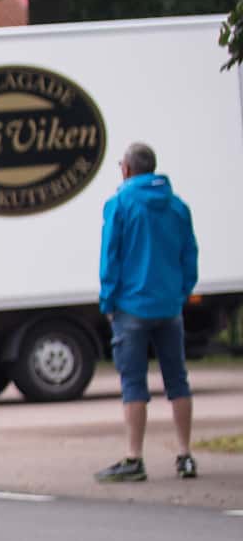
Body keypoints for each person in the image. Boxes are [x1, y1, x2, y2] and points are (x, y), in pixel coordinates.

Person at [95, 141, 199, 483]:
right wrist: (180, 292)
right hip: (169, 306)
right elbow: (189, 255)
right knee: (178, 380)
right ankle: (184, 455)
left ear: (126, 169)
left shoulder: (120, 204)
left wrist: (108, 302)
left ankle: (134, 458)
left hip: (131, 307)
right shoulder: (177, 207)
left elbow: (111, 257)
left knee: (133, 383)